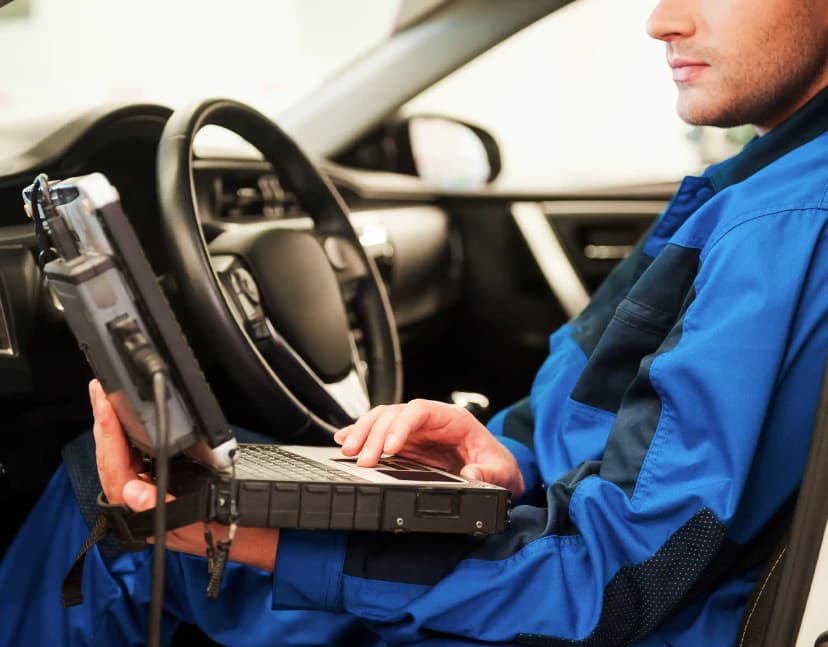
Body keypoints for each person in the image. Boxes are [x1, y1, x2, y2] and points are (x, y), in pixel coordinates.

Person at [3, 0, 828, 644]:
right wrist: (504, 457)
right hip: (555, 555)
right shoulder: (755, 187)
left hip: (578, 613)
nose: (661, 21)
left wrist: (229, 528)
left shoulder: (784, 223)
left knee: (106, 526)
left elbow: (612, 587)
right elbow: (625, 467)